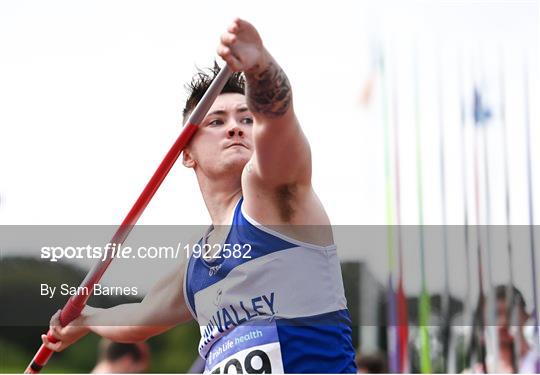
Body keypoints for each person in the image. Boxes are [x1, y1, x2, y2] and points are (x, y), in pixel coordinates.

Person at [42, 18, 357, 373]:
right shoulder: (197, 262)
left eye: (246, 118)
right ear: (187, 155)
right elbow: (142, 318)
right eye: (216, 121)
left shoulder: (273, 197)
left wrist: (260, 67)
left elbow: (278, 122)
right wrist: (85, 320)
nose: (236, 126)